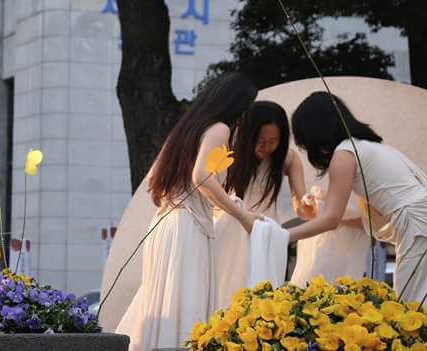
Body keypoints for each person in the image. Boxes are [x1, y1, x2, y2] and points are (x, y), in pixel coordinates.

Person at [115, 72, 262, 351]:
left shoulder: (187, 128)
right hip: (188, 227)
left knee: (166, 303)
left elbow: (152, 180)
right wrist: (241, 215)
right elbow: (202, 176)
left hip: (167, 223)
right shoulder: (220, 128)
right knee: (187, 306)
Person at [289, 91, 427, 302]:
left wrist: (283, 236)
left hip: (418, 227)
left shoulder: (344, 154)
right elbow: (362, 217)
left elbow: (331, 219)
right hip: (418, 220)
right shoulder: (370, 147)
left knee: (414, 307)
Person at [214, 101, 308, 308]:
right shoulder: (228, 153)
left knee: (260, 302)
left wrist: (309, 205)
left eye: (274, 141)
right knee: (226, 296)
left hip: (266, 235)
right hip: (233, 230)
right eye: (260, 140)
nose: (266, 147)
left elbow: (301, 206)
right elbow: (212, 197)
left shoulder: (288, 158)